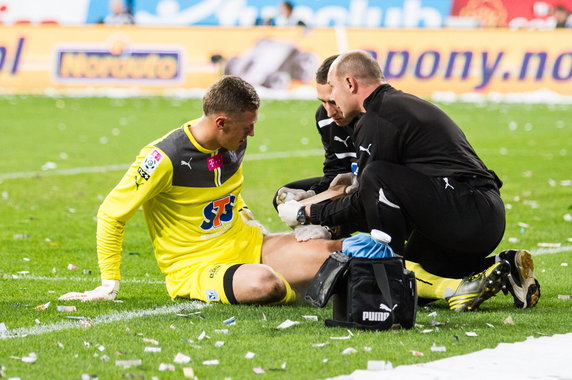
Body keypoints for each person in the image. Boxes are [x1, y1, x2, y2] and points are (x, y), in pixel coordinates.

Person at [278, 50, 540, 311]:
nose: (331, 99)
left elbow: (367, 197)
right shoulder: (395, 105)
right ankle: (503, 266)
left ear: (350, 84)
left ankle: (387, 268)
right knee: (419, 283)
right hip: (473, 212)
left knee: (376, 184)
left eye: (333, 89)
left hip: (466, 212)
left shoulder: (378, 117)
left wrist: (310, 212)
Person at [59, 76, 342, 305]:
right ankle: (302, 289)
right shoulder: (163, 158)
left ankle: (305, 283)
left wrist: (247, 216)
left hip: (250, 245)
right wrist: (109, 281)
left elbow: (225, 192)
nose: (252, 134)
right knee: (265, 285)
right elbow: (111, 214)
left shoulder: (234, 142)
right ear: (221, 123)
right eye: (248, 126)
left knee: (337, 254)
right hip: (198, 268)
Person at [273, 55, 366, 241]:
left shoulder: (373, 119)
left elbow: (381, 182)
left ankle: (332, 228)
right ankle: (331, 236)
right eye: (322, 101)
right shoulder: (325, 116)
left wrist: (312, 211)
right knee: (284, 197)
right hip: (351, 189)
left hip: (376, 191)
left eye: (333, 101)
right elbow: (335, 171)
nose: (329, 111)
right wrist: (312, 194)